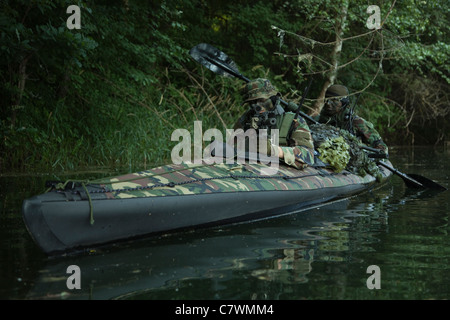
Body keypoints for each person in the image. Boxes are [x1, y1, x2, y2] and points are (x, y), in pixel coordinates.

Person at [232, 78, 315, 169]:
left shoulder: (292, 121)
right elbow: (232, 146)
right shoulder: (246, 119)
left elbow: (308, 156)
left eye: (261, 101)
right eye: (252, 103)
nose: (257, 106)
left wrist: (274, 150)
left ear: (273, 98)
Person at [318, 84, 388, 155]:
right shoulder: (319, 120)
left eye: (334, 100)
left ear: (343, 102)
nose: (328, 103)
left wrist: (359, 152)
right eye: (326, 99)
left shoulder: (356, 122)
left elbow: (383, 148)